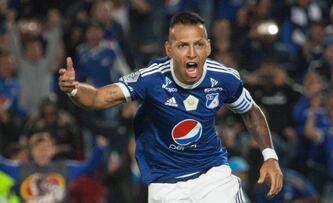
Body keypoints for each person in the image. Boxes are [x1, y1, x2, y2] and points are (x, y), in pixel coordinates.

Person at [59, 12, 283, 203]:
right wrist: (75, 89)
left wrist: (269, 155)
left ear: (208, 47)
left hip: (212, 176)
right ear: (169, 49)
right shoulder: (150, 80)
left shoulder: (224, 78)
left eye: (198, 44)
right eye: (183, 45)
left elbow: (250, 110)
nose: (192, 53)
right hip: (165, 184)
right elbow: (98, 98)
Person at [0, 132, 107, 203]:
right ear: (31, 152)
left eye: (46, 148)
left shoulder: (64, 167)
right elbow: (2, 164)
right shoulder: (21, 169)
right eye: (38, 148)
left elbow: (89, 166)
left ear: (52, 151)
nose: (43, 152)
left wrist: (100, 148)